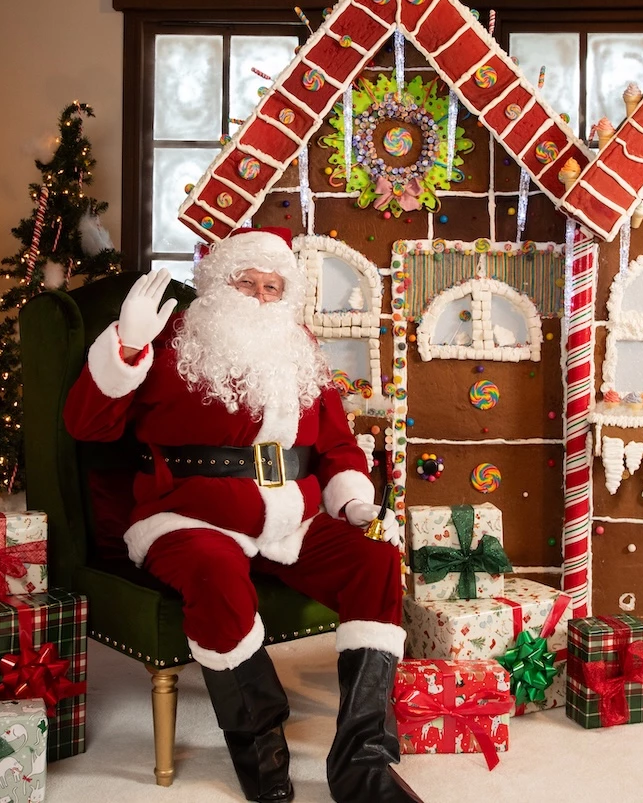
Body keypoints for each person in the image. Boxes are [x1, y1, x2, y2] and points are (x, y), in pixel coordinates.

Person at [63, 228, 421, 803]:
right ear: (217, 283)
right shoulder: (174, 339)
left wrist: (352, 499)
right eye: (246, 282)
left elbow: (337, 447)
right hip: (188, 513)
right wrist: (126, 346)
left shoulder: (299, 347)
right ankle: (263, 755)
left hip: (292, 515)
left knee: (376, 559)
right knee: (213, 570)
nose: (258, 296)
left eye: (272, 287)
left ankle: (363, 760)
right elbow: (87, 426)